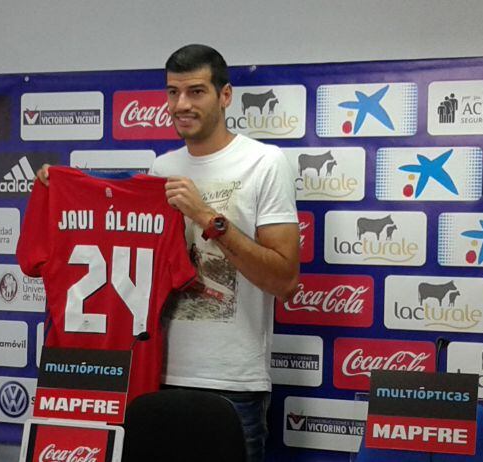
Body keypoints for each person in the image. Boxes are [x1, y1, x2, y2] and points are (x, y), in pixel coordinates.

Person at [37, 44, 300, 461]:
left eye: (196, 91)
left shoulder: (265, 163)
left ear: (225, 95)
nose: (181, 104)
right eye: (172, 92)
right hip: (153, 378)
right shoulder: (161, 170)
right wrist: (61, 189)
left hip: (233, 384)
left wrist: (208, 219)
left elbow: (284, 280)